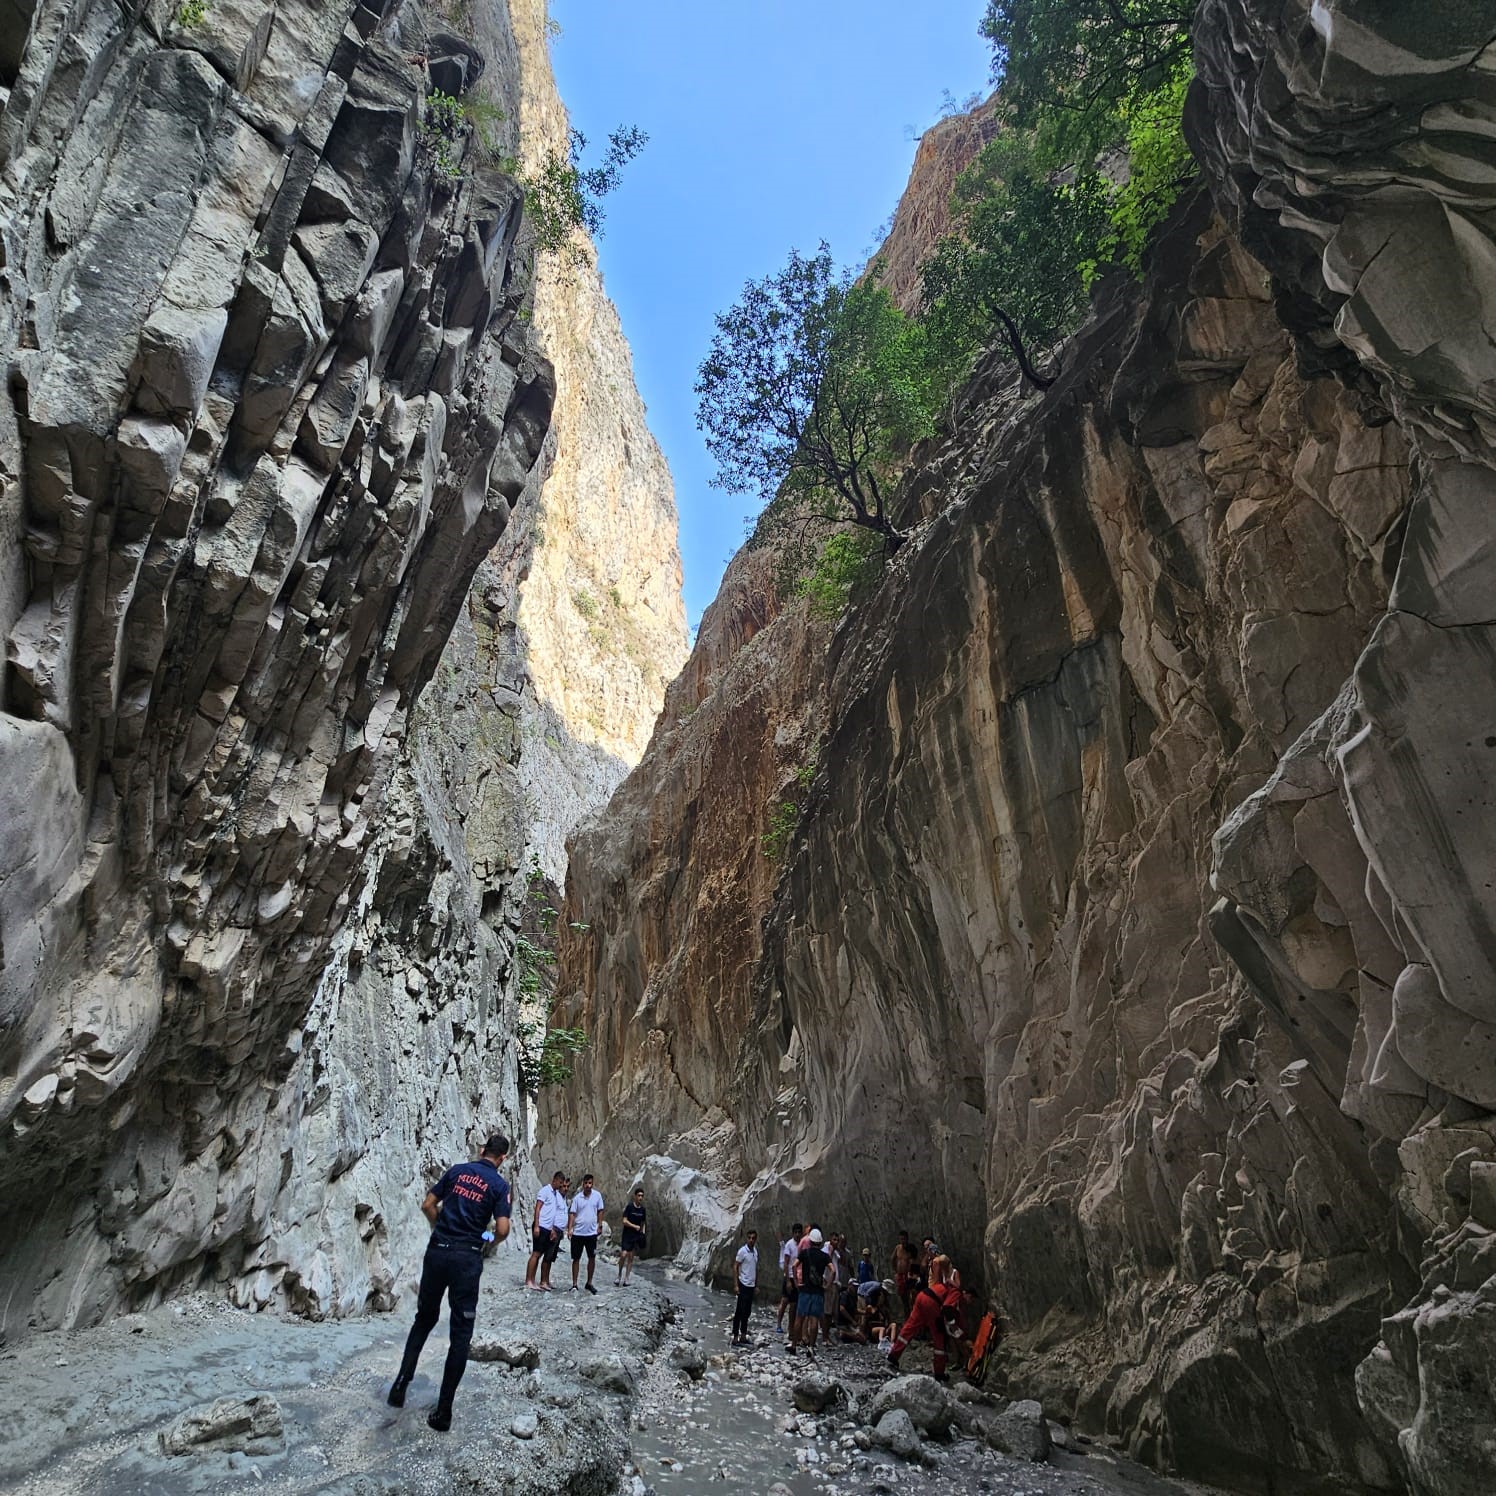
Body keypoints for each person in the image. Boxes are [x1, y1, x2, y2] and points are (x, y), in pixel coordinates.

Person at [387, 1133, 512, 1431]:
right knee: (460, 1333)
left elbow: (428, 1204)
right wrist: (485, 1240)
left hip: (437, 1252)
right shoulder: (498, 1185)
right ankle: (443, 1411)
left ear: (482, 1150)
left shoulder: (457, 1171)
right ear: (503, 1158)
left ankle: (400, 1386)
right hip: (466, 1259)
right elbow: (504, 1229)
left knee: (424, 1319)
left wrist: (439, 1228)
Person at [887, 1253, 964, 1381]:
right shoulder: (956, 1292)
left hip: (922, 1296)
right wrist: (953, 1328)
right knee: (939, 1338)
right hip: (932, 1303)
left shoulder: (943, 1285)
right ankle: (939, 1373)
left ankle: (893, 1356)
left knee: (909, 1328)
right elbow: (947, 1309)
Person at [788, 1228, 830, 1356]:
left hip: (805, 1290)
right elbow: (832, 1270)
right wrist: (827, 1285)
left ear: (810, 1241)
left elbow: (794, 1266)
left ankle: (794, 1345)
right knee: (814, 1320)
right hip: (818, 1292)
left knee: (799, 1318)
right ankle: (811, 1348)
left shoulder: (805, 1253)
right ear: (820, 1242)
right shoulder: (825, 1256)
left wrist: (796, 1282)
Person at [526, 1170, 567, 1290]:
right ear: (555, 1180)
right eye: (560, 1183)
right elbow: (538, 1208)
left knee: (540, 1255)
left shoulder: (554, 1194)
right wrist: (537, 1226)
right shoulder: (545, 1191)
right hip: (541, 1226)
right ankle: (529, 1280)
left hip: (548, 1228)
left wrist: (552, 1229)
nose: (561, 1186)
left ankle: (534, 1280)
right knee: (536, 1254)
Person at [568, 1173, 605, 1293]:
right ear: (583, 1184)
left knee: (592, 1257)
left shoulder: (597, 1196)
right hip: (578, 1233)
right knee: (576, 1258)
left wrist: (600, 1225)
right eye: (586, 1183)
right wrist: (570, 1229)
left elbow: (600, 1211)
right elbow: (572, 1214)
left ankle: (589, 1282)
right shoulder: (577, 1198)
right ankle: (574, 1284)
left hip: (591, 1233)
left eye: (590, 1183)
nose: (588, 1185)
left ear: (592, 1184)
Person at [731, 1229, 759, 1345]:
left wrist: (756, 1285)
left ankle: (743, 1335)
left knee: (747, 1312)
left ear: (755, 1239)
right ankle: (735, 1337)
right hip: (743, 1284)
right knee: (739, 1311)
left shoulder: (755, 1252)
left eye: (753, 1238)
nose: (751, 1240)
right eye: (750, 1238)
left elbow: (756, 1269)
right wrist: (736, 1285)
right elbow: (735, 1267)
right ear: (747, 1238)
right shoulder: (742, 1251)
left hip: (751, 1286)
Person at [617, 1186, 647, 1286]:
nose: (640, 1198)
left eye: (642, 1196)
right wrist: (634, 1226)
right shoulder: (630, 1207)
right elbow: (624, 1221)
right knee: (623, 1255)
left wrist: (642, 1234)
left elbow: (643, 1223)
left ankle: (627, 1278)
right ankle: (619, 1275)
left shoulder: (642, 1210)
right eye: (639, 1195)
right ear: (635, 1196)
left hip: (636, 1236)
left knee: (631, 1257)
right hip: (627, 1235)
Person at [775, 1223, 802, 1336]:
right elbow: (786, 1263)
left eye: (799, 1232)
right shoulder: (789, 1245)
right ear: (793, 1233)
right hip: (789, 1276)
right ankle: (779, 1324)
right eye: (795, 1232)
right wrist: (787, 1280)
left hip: (797, 1277)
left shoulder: (801, 1245)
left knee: (794, 1304)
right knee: (785, 1301)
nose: (797, 1234)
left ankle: (791, 1328)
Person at [892, 1230, 913, 1311]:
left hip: (907, 1274)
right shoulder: (898, 1247)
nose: (902, 1241)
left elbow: (913, 1261)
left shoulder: (910, 1249)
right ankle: (906, 1312)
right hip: (899, 1274)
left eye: (904, 1239)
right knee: (902, 1294)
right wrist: (895, 1271)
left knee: (909, 1295)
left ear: (907, 1239)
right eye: (901, 1239)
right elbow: (893, 1259)